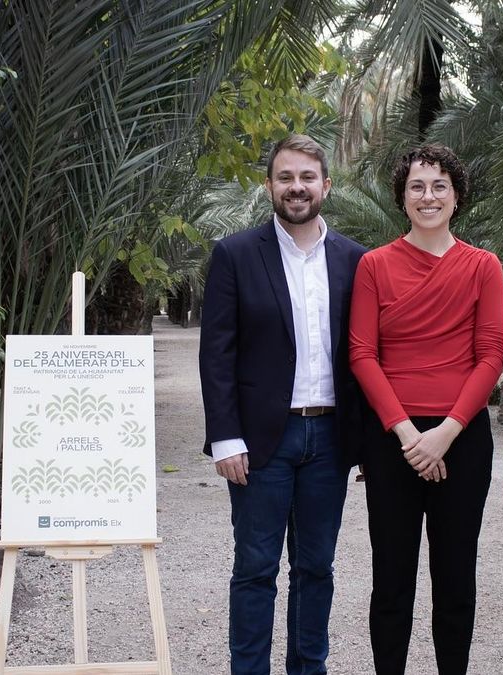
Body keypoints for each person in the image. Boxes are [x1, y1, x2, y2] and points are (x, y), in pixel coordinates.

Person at [199, 134, 368, 675]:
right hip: (259, 441)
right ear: (269, 185)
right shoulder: (235, 255)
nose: (297, 187)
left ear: (326, 186)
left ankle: (308, 668)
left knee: (316, 568)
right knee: (255, 569)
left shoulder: (355, 260)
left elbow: (365, 354)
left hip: (330, 440)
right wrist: (225, 437)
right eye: (286, 177)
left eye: (307, 177)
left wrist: (366, 441)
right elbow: (217, 354)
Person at [349, 144, 503, 674]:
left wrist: (445, 432)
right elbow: (362, 354)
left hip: (461, 440)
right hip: (393, 441)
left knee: (456, 578)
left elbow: (491, 356)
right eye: (417, 186)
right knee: (391, 579)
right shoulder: (374, 265)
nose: (428, 196)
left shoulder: (483, 266)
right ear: (402, 198)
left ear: (456, 196)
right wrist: (407, 434)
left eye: (440, 185)